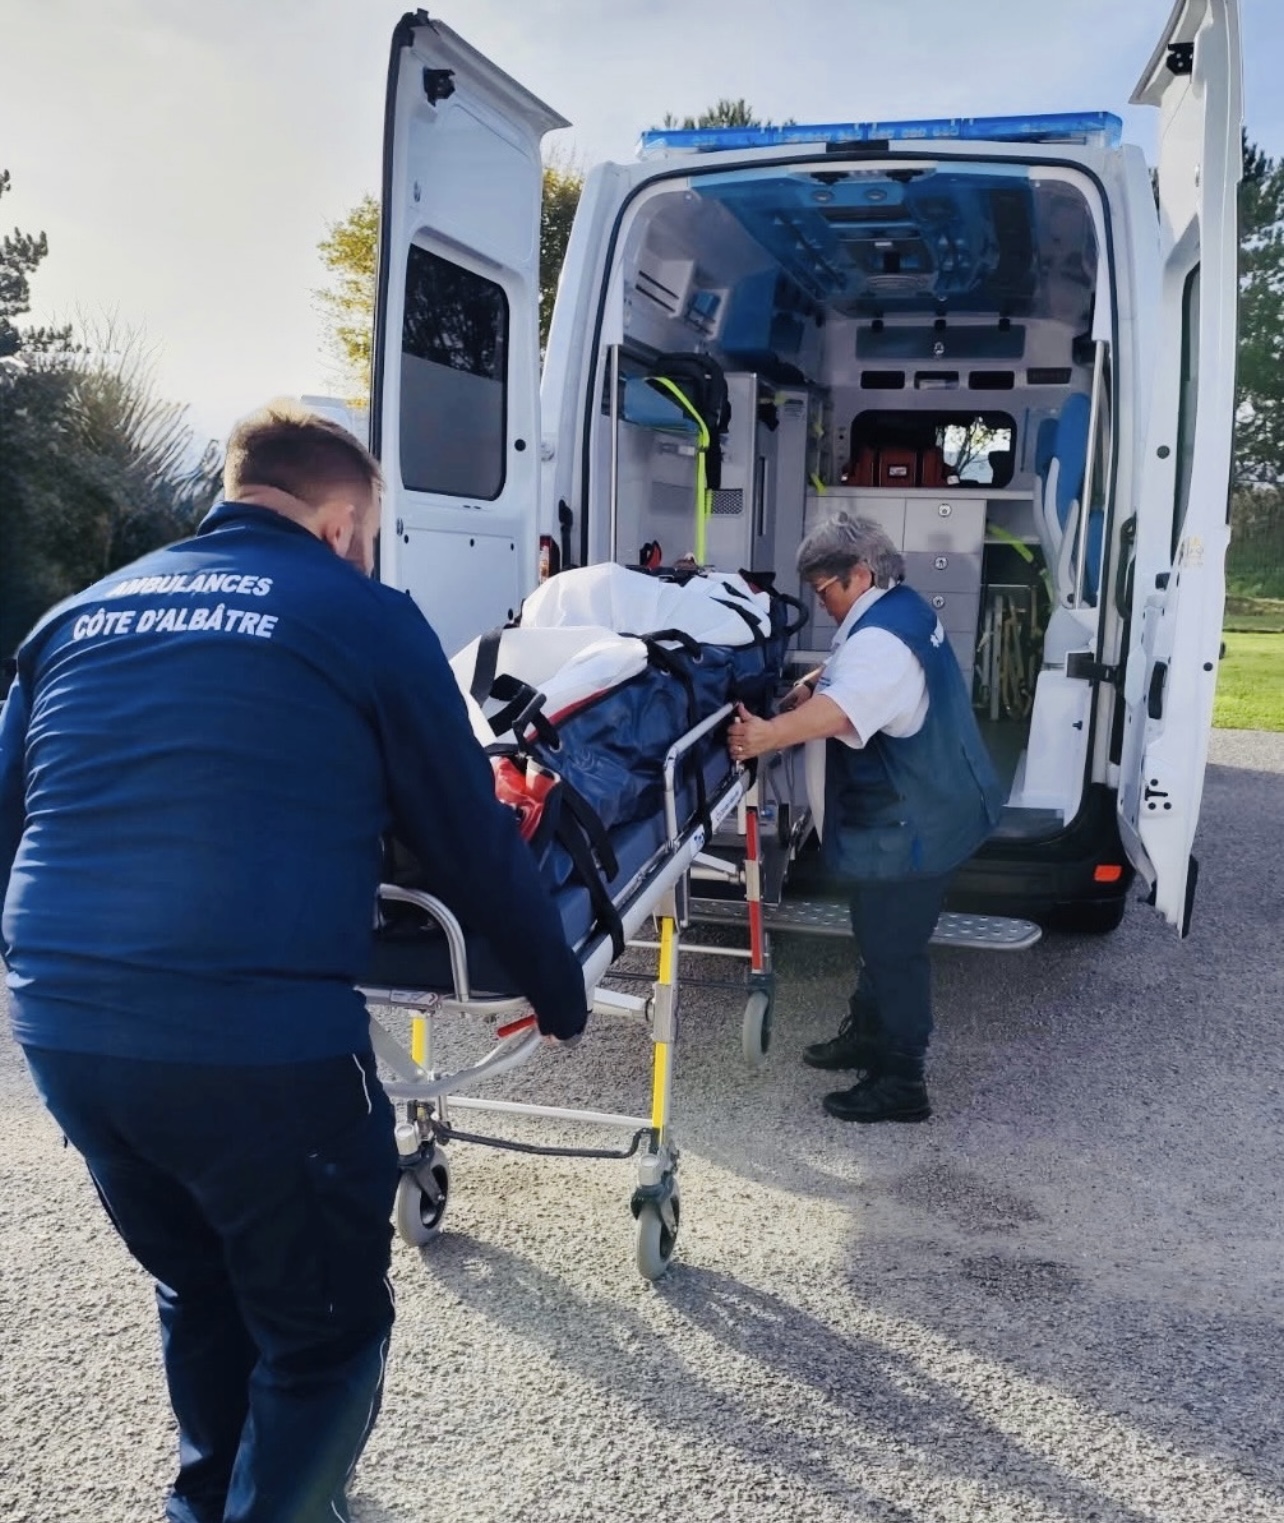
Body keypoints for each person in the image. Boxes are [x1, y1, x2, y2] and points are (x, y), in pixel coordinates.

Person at [0, 402, 589, 1523]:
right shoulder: (363, 616)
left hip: (67, 1030)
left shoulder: (74, 617)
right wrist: (556, 993)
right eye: (367, 540)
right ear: (340, 524)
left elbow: (10, 825)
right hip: (257, 1048)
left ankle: (207, 1501)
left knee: (201, 1279)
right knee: (324, 1333)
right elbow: (470, 838)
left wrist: (52, 985)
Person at [726, 513, 1002, 1124]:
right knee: (875, 936)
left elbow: (845, 710)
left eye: (825, 590)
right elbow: (853, 670)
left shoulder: (881, 641)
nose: (821, 604)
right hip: (925, 812)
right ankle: (869, 1036)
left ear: (860, 574)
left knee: (894, 950)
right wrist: (814, 681)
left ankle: (902, 1081)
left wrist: (766, 734)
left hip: (912, 828)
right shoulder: (900, 608)